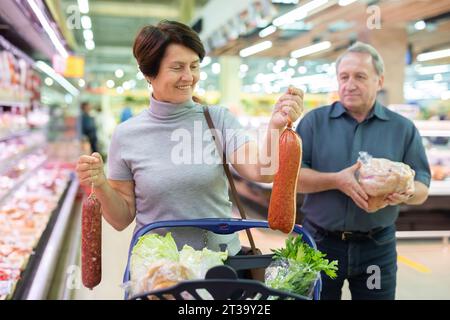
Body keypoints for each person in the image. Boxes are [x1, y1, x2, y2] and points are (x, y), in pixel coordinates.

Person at [76, 20, 303, 257]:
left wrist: (276, 125)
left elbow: (263, 171)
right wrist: (100, 184)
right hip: (159, 273)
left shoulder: (218, 119)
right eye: (177, 67)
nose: (189, 77)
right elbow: (121, 219)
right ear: (149, 73)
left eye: (194, 66)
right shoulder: (126, 135)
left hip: (220, 265)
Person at [296, 42, 431, 300]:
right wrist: (337, 181)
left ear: (379, 80)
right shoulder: (314, 122)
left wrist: (405, 193)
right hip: (319, 244)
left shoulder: (402, 129)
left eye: (360, 76)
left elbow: (422, 188)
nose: (350, 84)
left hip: (376, 248)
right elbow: (292, 180)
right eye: (343, 77)